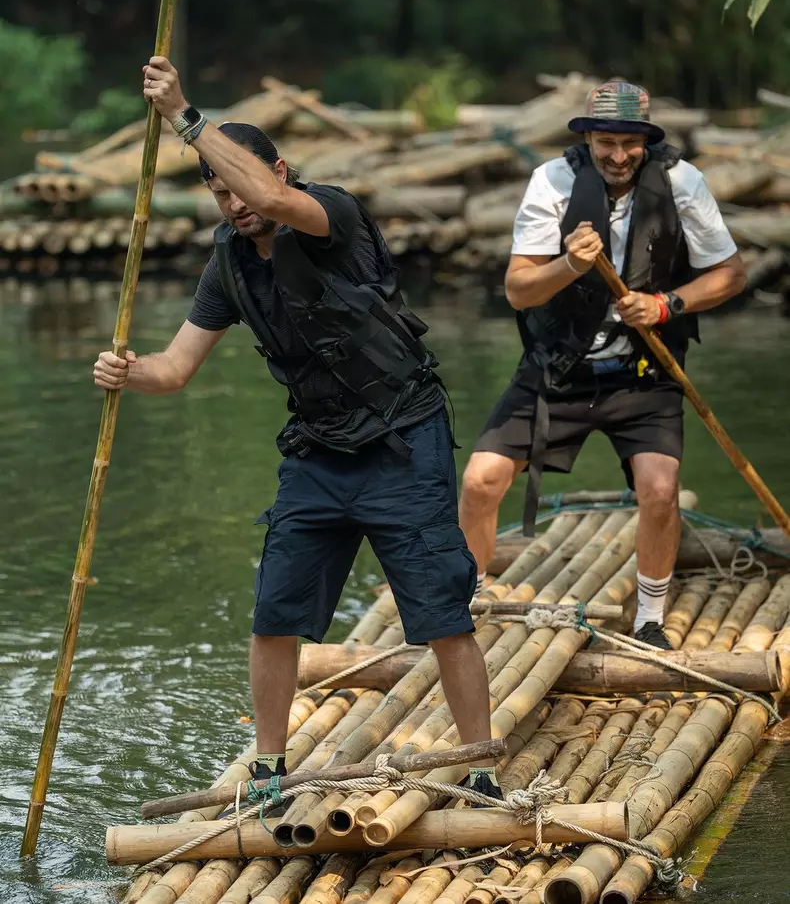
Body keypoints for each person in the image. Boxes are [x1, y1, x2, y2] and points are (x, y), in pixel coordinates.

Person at [94, 56, 500, 798]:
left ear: (277, 169)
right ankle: (269, 768)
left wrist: (186, 116)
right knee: (273, 610)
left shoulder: (327, 215)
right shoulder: (228, 265)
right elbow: (176, 367)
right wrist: (128, 371)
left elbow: (270, 198)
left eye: (239, 184)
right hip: (318, 449)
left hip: (403, 437)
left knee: (442, 608)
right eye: (218, 192)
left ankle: (479, 762)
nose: (233, 202)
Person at [459, 80, 746, 650]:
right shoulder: (553, 181)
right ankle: (463, 601)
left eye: (630, 144)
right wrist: (568, 264)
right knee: (479, 481)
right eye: (606, 142)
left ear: (646, 140)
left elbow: (731, 275)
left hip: (645, 373)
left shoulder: (683, 182)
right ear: (588, 138)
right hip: (557, 370)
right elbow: (519, 290)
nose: (618, 156)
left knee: (660, 490)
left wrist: (667, 305)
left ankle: (650, 617)